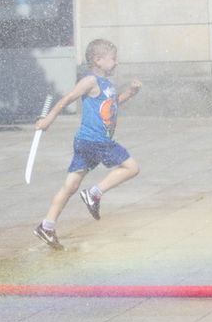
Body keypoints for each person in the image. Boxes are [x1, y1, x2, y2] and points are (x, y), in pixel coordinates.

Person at [33, 38, 142, 249]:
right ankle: (94, 193)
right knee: (132, 167)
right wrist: (47, 121)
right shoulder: (90, 81)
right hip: (96, 140)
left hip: (85, 143)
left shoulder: (106, 84)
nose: (116, 63)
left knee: (70, 186)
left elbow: (112, 105)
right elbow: (67, 99)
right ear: (98, 60)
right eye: (113, 59)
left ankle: (47, 226)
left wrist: (129, 93)